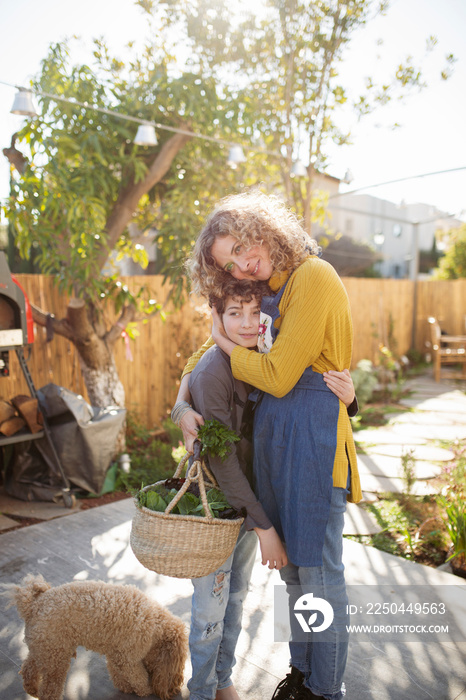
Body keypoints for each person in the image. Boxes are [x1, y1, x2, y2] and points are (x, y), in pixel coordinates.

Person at [172, 190, 361, 700]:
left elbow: (276, 376)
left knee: (320, 576)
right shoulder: (269, 289)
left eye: (239, 246)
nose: (241, 262)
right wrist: (181, 404)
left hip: (314, 443)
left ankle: (325, 689)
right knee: (295, 578)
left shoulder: (313, 278)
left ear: (261, 228)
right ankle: (302, 674)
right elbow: (202, 358)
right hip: (280, 446)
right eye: (227, 262)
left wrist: (226, 344)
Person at [178, 277, 288, 700]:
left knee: (237, 598)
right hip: (217, 510)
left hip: (246, 505)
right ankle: (201, 691)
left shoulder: (259, 357)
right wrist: (264, 526)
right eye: (233, 313)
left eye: (253, 312)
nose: (246, 323)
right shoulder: (212, 372)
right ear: (217, 317)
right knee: (209, 608)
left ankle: (223, 680)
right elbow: (222, 461)